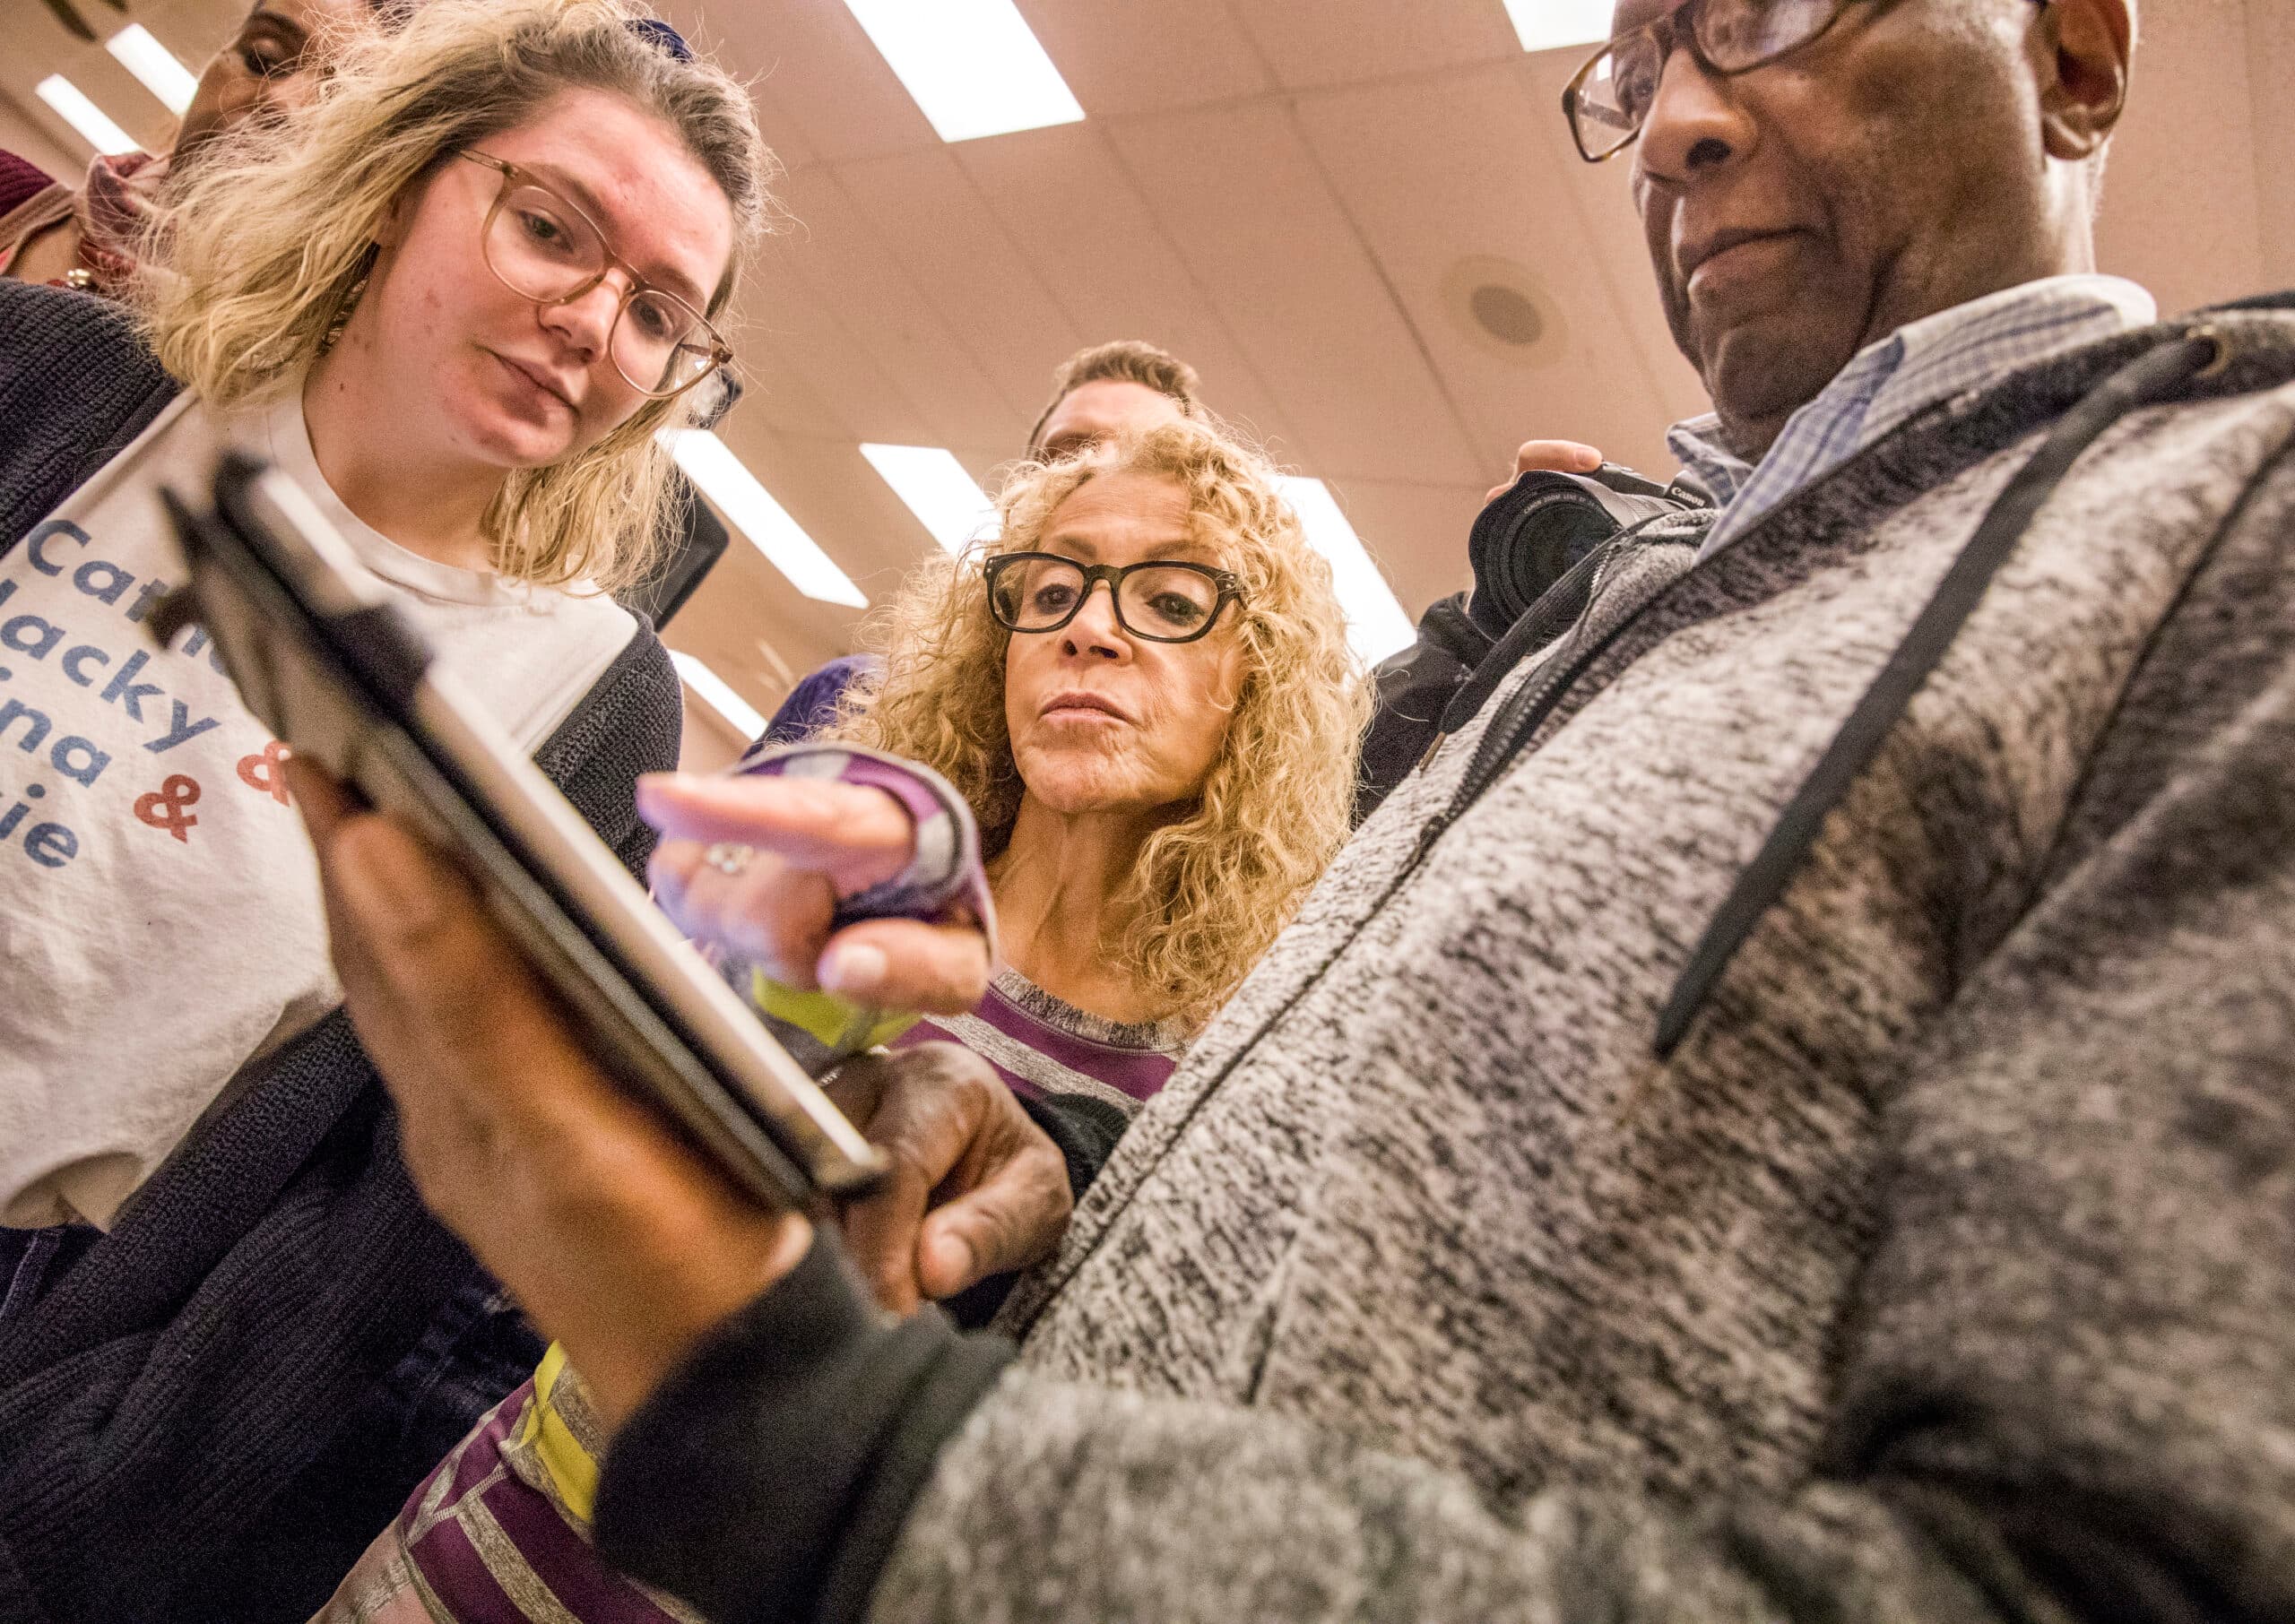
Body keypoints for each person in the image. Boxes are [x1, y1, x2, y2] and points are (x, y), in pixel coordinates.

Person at [301, 1, 2295, 1620]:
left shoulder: (2223, 534)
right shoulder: (1634, 601)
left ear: (2075, 54)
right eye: (1632, 62)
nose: (1677, 118)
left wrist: (861, 1473)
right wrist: (1064, 1172)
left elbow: (2105, 1570)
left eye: (1761, 13)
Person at [307, 415, 1368, 1620]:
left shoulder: (1211, 1083)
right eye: (1055, 586)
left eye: (1173, 599)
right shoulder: (850, 889)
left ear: (1255, 675)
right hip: (478, 1542)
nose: (1090, 627)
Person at [0, 2, 775, 1618]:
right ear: (395, 184)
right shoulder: (55, 386)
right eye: (552, 226)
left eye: (658, 312)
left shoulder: (585, 704)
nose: (591, 319)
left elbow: (396, 1193)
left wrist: (94, 1488)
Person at [759, 337, 1208, 744]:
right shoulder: (848, 704)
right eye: (1067, 456)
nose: (1094, 481)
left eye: (1138, 458)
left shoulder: (1195, 758)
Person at [0, 0, 385, 291]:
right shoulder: (8, 194)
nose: (282, 102)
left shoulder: (314, 379)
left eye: (342, 102)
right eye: (262, 58)